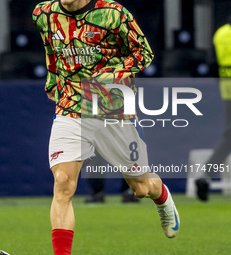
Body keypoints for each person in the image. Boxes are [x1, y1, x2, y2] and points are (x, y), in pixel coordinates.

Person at [33, 0, 180, 254]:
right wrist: (52, 79)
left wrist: (113, 73)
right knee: (63, 182)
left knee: (141, 187)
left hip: (113, 107)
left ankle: (161, 195)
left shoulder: (113, 13)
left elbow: (143, 53)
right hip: (71, 106)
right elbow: (51, 48)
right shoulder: (43, 13)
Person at [196, 15, 231, 201]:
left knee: (229, 138)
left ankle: (206, 176)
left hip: (227, 91)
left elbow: (211, 65)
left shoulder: (221, 34)